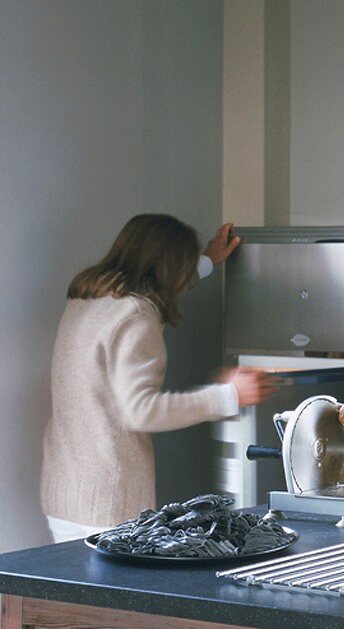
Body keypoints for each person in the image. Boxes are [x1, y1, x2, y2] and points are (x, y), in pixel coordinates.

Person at [40, 214, 277, 541]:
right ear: (168, 268)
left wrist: (208, 260)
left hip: (67, 491)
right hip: (109, 499)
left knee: (71, 592)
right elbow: (142, 410)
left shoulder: (88, 300)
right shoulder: (136, 317)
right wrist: (229, 395)